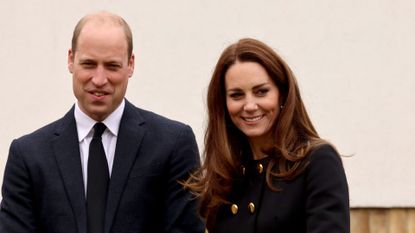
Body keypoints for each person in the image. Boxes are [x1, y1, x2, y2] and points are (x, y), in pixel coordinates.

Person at [0, 11, 204, 233]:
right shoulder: (28, 156)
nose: (99, 80)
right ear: (70, 60)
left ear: (131, 64)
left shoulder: (172, 145)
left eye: (112, 66)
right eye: (88, 64)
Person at [184, 38, 349, 233]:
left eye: (261, 92)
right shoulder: (224, 176)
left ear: (283, 93)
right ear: (223, 104)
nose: (250, 106)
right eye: (237, 95)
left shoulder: (316, 161)